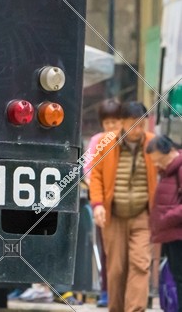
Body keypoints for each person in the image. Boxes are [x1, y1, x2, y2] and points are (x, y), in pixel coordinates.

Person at [92, 102, 159, 312]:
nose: (137, 131)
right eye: (133, 125)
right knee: (116, 269)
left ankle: (135, 310)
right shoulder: (106, 142)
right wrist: (98, 205)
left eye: (141, 125)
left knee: (140, 264)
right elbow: (96, 175)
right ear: (122, 123)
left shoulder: (153, 143)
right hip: (114, 215)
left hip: (143, 216)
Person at [87, 99, 124, 306]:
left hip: (126, 202)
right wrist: (97, 196)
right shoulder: (98, 141)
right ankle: (106, 291)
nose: (111, 127)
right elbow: (89, 168)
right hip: (103, 203)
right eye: (107, 123)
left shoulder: (127, 140)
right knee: (106, 250)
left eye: (115, 122)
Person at [148, 137, 182, 290]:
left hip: (177, 232)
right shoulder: (168, 171)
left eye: (160, 160)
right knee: (178, 278)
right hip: (172, 233)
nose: (158, 165)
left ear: (171, 151)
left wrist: (165, 218)